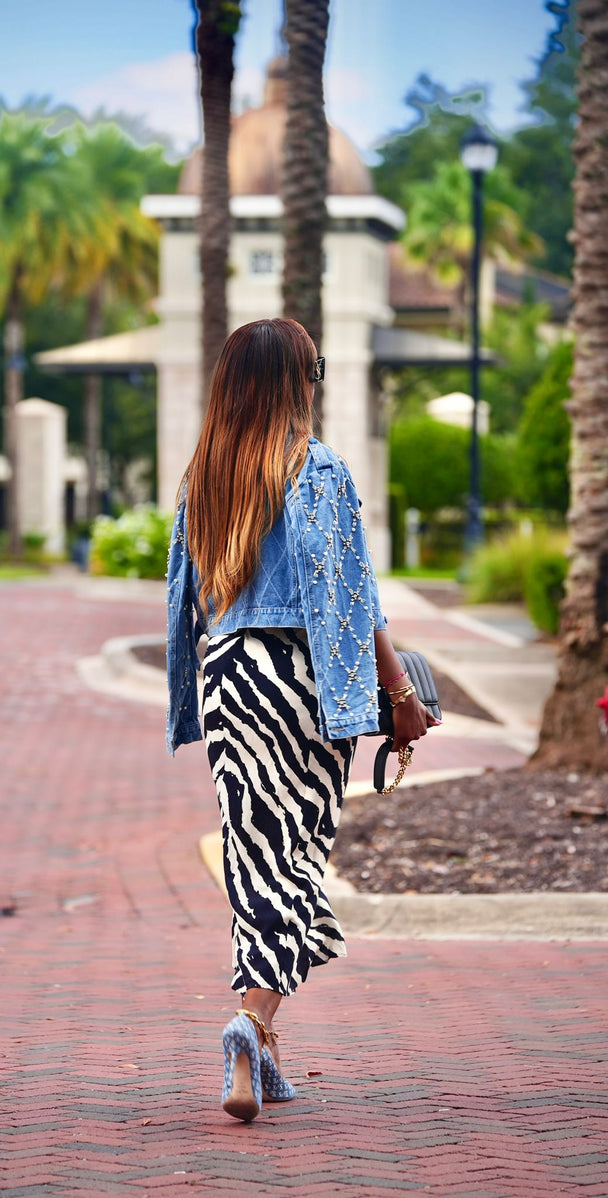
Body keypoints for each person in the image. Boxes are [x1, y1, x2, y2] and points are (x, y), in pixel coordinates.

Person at [166, 318, 437, 1122]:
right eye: (312, 369)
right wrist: (399, 695)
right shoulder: (316, 470)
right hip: (298, 682)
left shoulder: (204, 478)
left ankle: (263, 1053)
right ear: (294, 382)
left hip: (228, 678)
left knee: (253, 857)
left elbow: (189, 599)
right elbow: (355, 598)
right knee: (297, 859)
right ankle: (250, 1024)